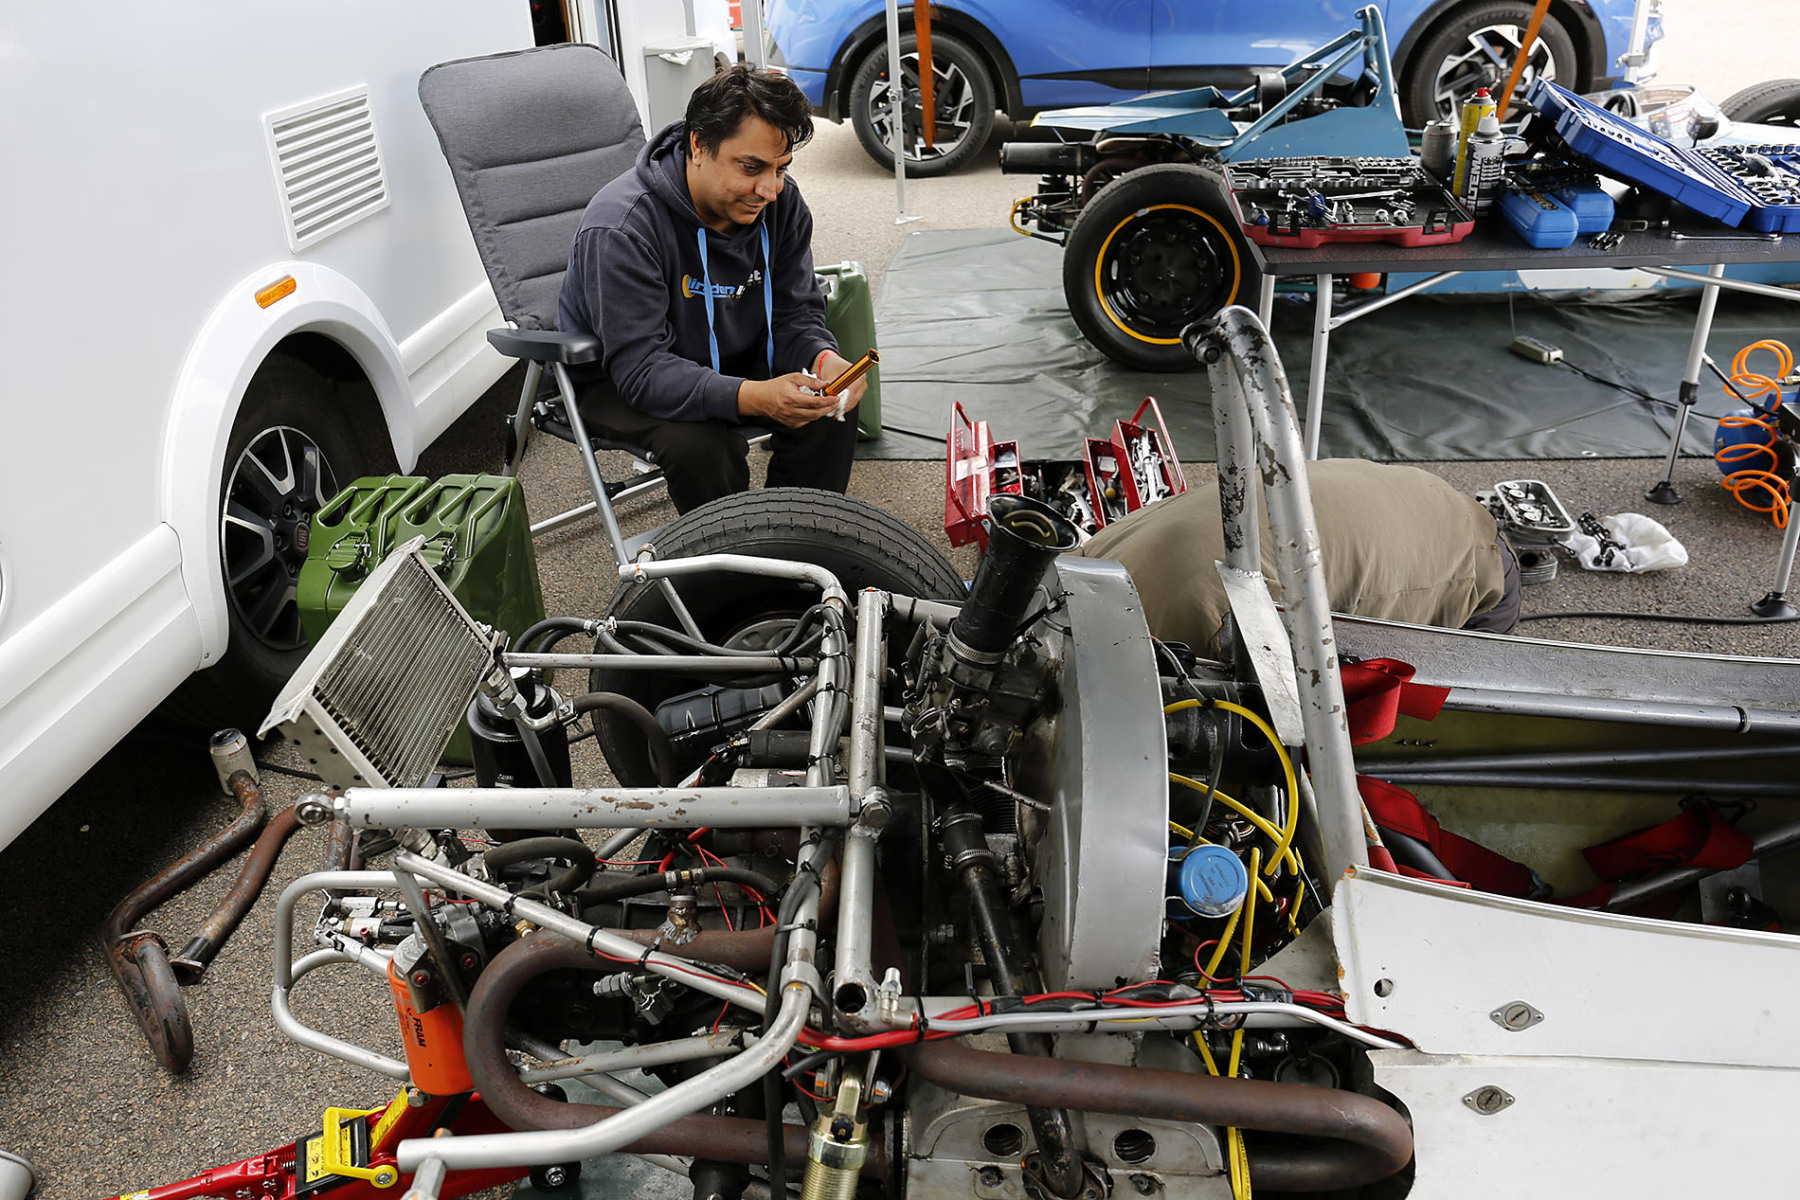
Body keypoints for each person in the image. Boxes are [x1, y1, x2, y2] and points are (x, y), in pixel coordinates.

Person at [557, 66, 864, 514]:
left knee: (829, 403)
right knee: (703, 447)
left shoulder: (782, 205)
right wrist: (756, 396)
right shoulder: (621, 228)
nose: (769, 189)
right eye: (751, 167)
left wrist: (822, 357)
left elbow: (795, 314)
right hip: (622, 377)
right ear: (698, 145)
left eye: (781, 169)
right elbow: (642, 369)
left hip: (731, 351)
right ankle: (730, 556)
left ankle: (796, 536)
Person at [1076, 459, 1521, 653]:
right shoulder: (1089, 559)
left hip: (1474, 567)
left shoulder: (1204, 626)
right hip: (1416, 494)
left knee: (1415, 717)